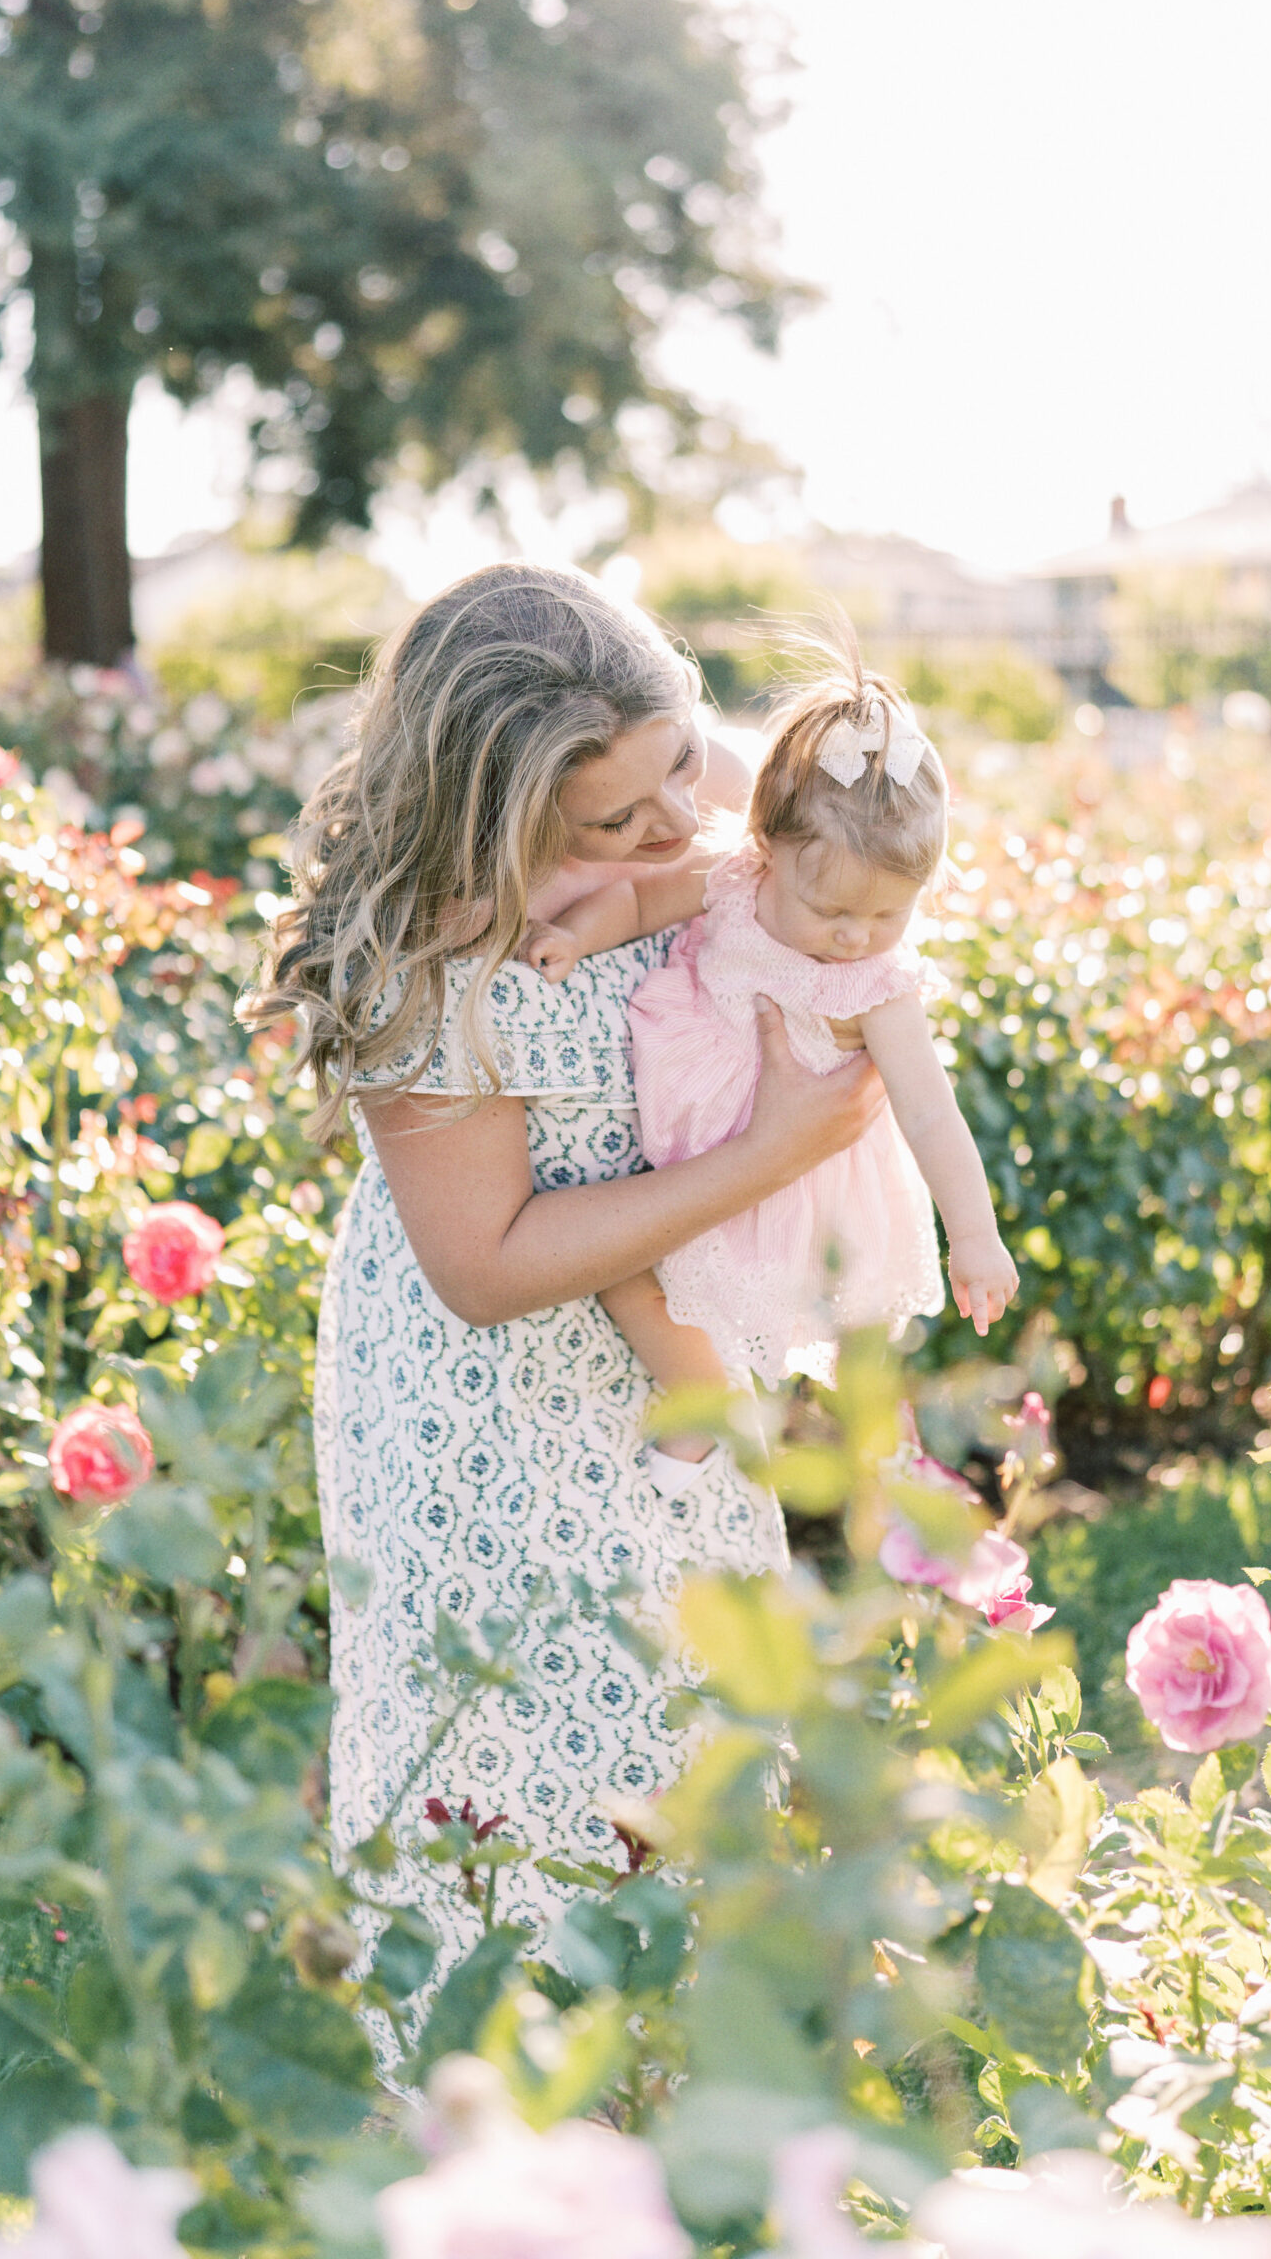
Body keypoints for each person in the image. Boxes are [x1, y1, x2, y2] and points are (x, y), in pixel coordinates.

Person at [245, 563, 884, 2010]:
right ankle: (496, 2131)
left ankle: (688, 2109)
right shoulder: (426, 952)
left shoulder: (661, 758)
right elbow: (488, 1265)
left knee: (690, 1719)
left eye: (679, 760)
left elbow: (819, 847)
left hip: (660, 1367)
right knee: (505, 1763)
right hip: (489, 1417)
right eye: (616, 816)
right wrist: (772, 1151)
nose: (683, 812)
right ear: (499, 814)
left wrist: (646, 878)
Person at [520, 649, 1019, 1392]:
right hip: (695, 1142)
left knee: (704, 1297)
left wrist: (975, 1236)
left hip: (788, 1188)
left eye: (889, 912)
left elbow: (929, 1111)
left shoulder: (879, 987)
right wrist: (574, 935)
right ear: (768, 846)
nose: (855, 935)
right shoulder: (733, 879)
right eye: (831, 910)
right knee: (626, 1275)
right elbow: (637, 903)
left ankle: (722, 1424)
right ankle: (712, 1413)